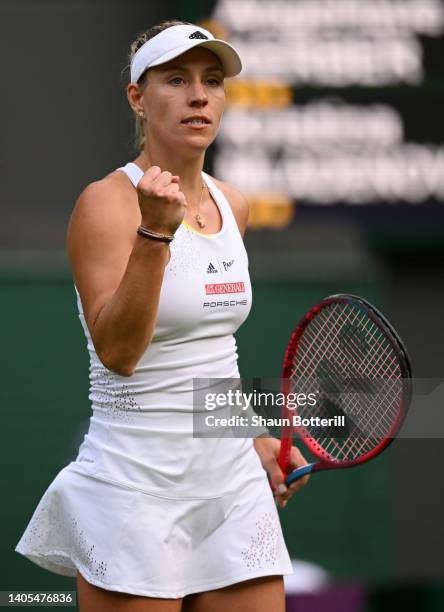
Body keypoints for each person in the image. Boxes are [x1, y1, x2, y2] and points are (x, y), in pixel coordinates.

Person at [15, 20, 309, 611]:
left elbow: (210, 356)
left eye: (212, 81)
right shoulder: (105, 203)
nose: (199, 96)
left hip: (229, 486)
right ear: (138, 98)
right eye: (176, 80)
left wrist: (252, 434)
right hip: (134, 488)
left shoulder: (237, 205)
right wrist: (156, 232)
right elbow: (119, 353)